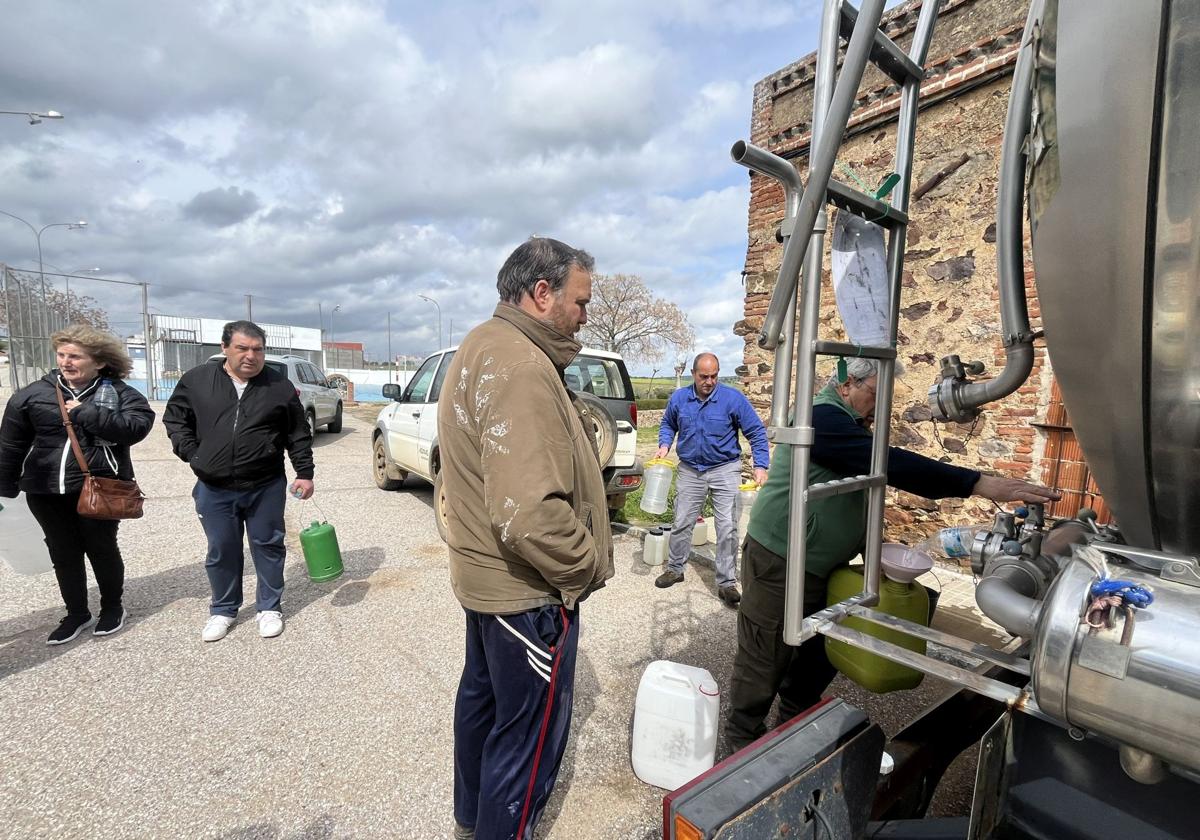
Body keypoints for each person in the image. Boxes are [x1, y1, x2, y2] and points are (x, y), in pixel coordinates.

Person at [724, 357, 1061, 751]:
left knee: (817, 650)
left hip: (822, 563)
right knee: (765, 654)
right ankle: (742, 736)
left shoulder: (851, 424)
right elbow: (890, 464)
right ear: (847, 383)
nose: (878, 407)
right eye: (874, 395)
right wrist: (980, 484)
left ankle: (792, 726)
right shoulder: (819, 420)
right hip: (779, 559)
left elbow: (865, 488)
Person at [438, 237, 613, 840]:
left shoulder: (484, 344)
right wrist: (585, 567)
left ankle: (472, 818)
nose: (584, 316)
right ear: (542, 294)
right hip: (527, 593)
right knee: (526, 737)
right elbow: (529, 516)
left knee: (482, 706)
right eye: (580, 302)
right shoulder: (521, 366)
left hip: (487, 582)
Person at [0, 325, 155, 644]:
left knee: (101, 549)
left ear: (98, 362)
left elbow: (137, 427)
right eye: (62, 355)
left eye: (75, 356)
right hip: (45, 491)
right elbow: (11, 445)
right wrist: (4, 486)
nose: (67, 361)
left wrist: (88, 414)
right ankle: (76, 613)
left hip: (99, 488)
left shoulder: (120, 392)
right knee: (63, 553)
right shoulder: (32, 394)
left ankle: (112, 608)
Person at [162, 320, 314, 643]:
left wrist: (304, 473)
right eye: (242, 348)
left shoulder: (279, 387)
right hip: (214, 488)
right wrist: (193, 454)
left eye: (257, 349)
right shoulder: (197, 381)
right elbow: (175, 420)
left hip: (265, 485)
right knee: (222, 549)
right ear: (224, 348)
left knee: (269, 546)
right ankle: (223, 609)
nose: (250, 356)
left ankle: (269, 607)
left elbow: (298, 433)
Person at [653, 353, 769, 605]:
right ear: (693, 374)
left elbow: (756, 432)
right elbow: (667, 424)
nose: (709, 381)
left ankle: (727, 583)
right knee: (682, 520)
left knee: (727, 527)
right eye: (704, 376)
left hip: (725, 469)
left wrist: (760, 465)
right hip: (690, 469)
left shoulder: (733, 399)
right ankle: (675, 569)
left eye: (714, 376)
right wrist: (664, 444)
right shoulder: (679, 399)